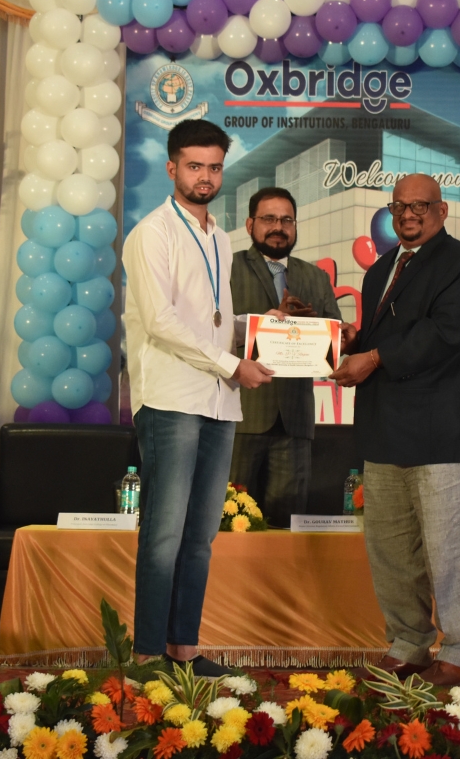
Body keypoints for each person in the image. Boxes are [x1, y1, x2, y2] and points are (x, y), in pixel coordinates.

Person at [122, 119, 280, 675]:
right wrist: (233, 363)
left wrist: (258, 328)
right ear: (172, 168)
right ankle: (147, 654)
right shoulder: (152, 233)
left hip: (218, 399)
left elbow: (209, 318)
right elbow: (162, 322)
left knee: (200, 535)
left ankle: (183, 649)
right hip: (171, 397)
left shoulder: (221, 236)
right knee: (163, 533)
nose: (205, 177)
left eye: (214, 167)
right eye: (194, 166)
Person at [331, 173, 460, 686]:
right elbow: (386, 335)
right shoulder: (381, 269)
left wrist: (373, 357)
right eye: (400, 206)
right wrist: (350, 341)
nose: (409, 215)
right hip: (384, 429)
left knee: (449, 550)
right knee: (392, 550)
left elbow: (446, 334)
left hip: (440, 433)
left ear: (442, 210)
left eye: (420, 205)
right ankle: (409, 643)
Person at [229, 187, 343, 527]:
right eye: (269, 219)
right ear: (250, 224)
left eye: (287, 220)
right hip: (240, 416)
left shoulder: (315, 277)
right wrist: (264, 325)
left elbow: (336, 339)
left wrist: (324, 331)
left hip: (295, 422)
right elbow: (209, 331)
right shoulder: (228, 268)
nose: (278, 227)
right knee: (229, 520)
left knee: (287, 524)